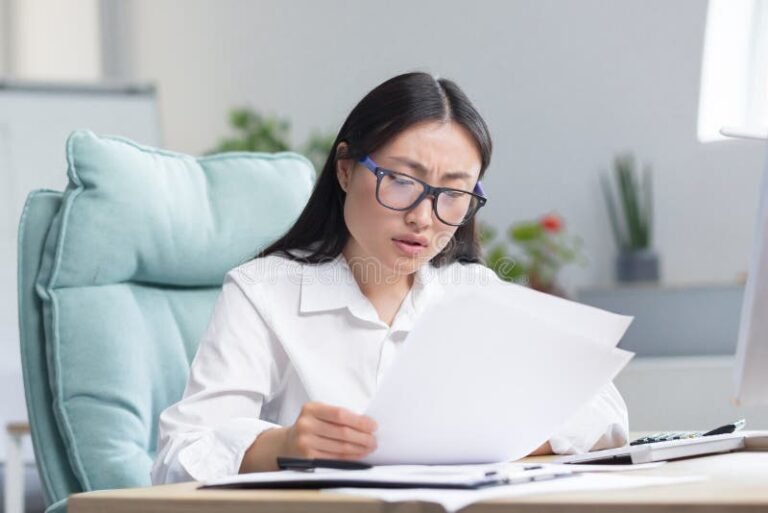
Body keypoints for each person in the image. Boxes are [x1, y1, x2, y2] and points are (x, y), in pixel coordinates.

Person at [151, 72, 628, 484]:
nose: (425, 217)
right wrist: (283, 445)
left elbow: (604, 410)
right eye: (401, 180)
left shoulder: (471, 291)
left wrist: (510, 440)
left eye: (453, 193)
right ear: (344, 169)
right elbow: (178, 457)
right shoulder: (262, 291)